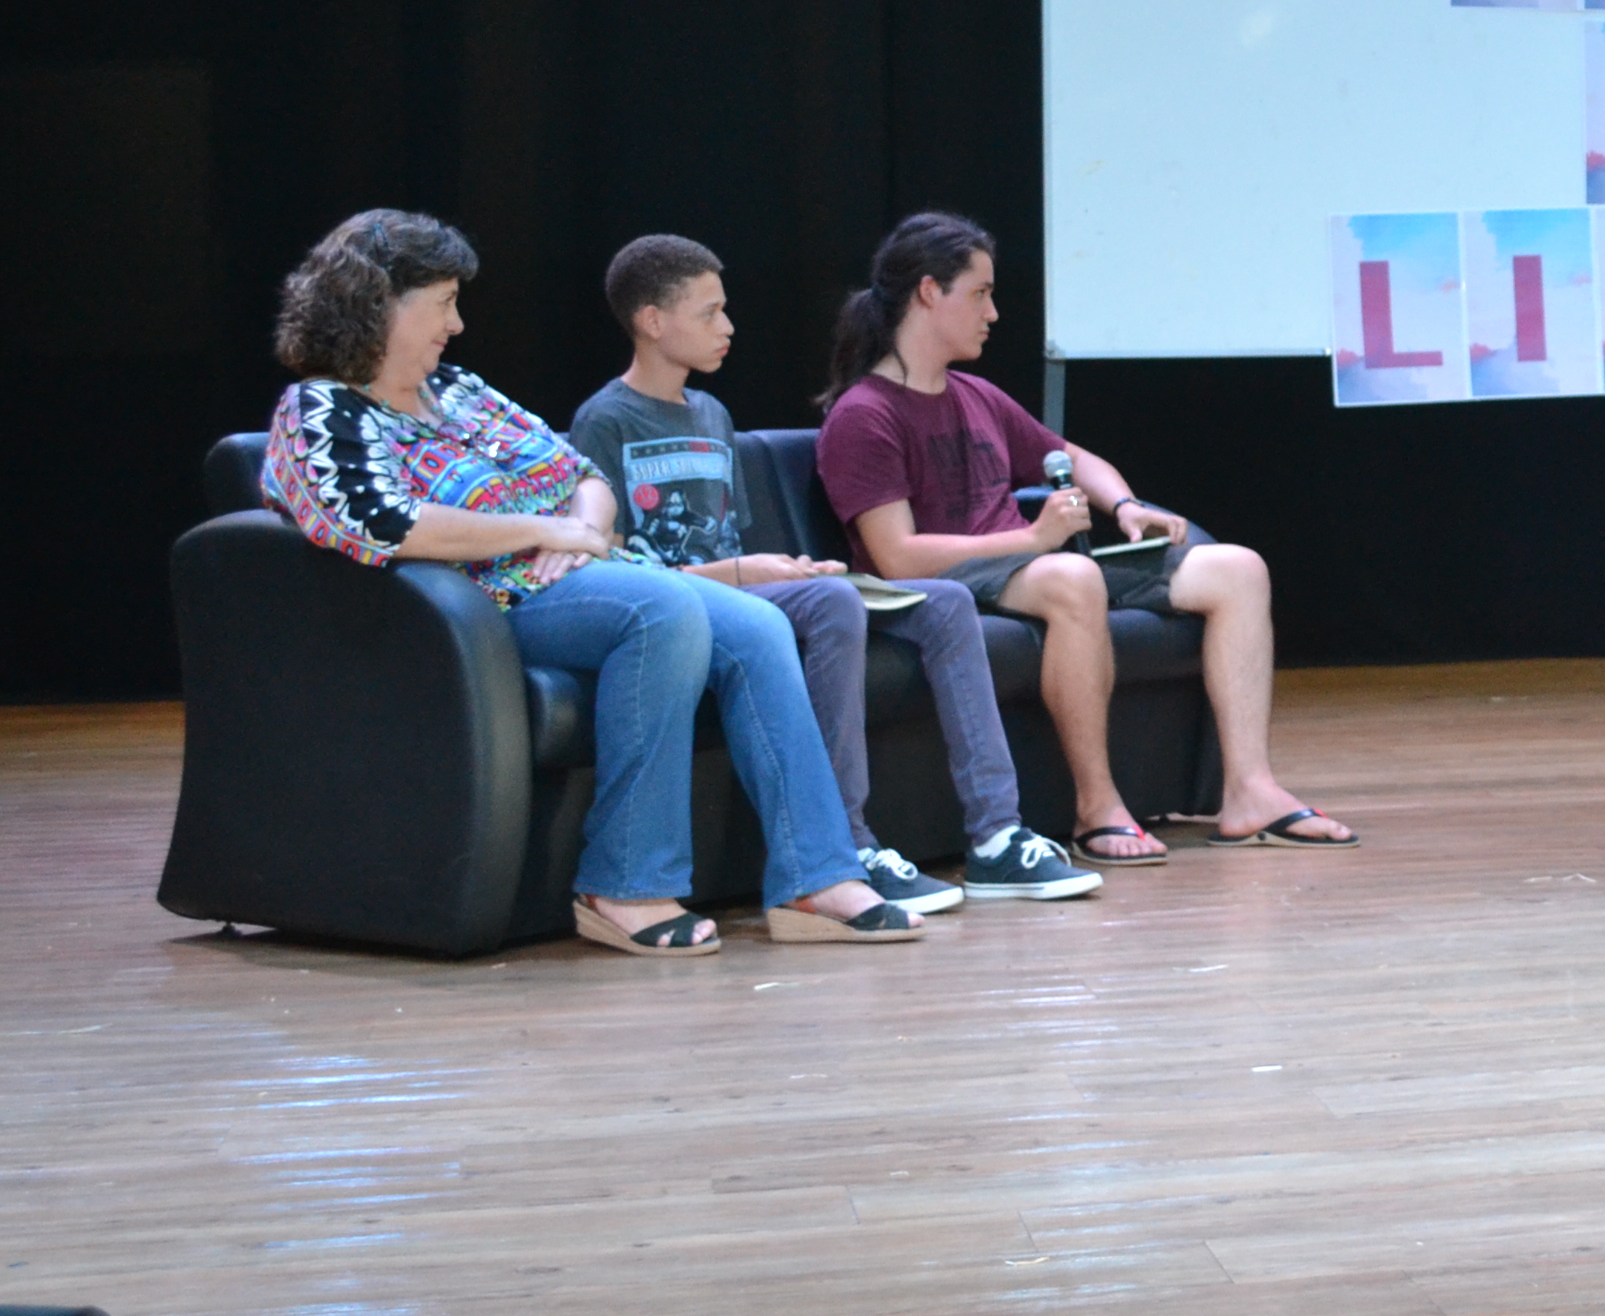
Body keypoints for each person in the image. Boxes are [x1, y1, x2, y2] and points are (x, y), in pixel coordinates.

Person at [258, 210, 920, 953]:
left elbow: (584, 474)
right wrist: (541, 531)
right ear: (380, 303)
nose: (457, 324)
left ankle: (814, 877)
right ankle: (625, 883)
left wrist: (580, 528)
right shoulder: (321, 411)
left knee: (759, 625)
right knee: (662, 609)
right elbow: (380, 521)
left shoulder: (459, 390)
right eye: (443, 303)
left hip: (587, 575)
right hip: (482, 607)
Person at [567, 235, 1099, 912]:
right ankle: (849, 846)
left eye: (725, 310)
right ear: (651, 320)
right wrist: (743, 573)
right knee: (832, 604)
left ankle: (996, 835)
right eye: (709, 313)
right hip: (680, 605)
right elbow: (613, 565)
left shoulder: (712, 414)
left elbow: (730, 535)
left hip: (742, 591)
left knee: (944, 603)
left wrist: (782, 568)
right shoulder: (605, 420)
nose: (728, 327)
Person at [813, 212, 1355, 862]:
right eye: (980, 293)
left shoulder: (975, 395)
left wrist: (1125, 506)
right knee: (1070, 576)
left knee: (1238, 569)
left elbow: (1075, 456)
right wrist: (1033, 540)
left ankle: (1250, 792)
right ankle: (1097, 806)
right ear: (930, 292)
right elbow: (897, 556)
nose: (993, 313)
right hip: (941, 584)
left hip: (1022, 561)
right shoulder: (865, 415)